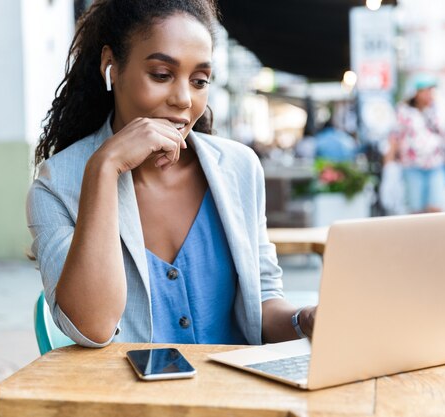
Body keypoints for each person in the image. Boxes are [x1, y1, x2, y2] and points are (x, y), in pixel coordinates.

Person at [27, 0, 316, 348]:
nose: (183, 99)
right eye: (162, 75)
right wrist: (105, 169)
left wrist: (304, 320)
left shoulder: (239, 168)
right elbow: (93, 326)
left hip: (237, 397)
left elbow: (263, 303)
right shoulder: (56, 185)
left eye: (199, 80)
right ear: (111, 66)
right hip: (130, 400)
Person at [384, 75, 445, 213]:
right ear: (415, 92)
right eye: (425, 90)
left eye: (430, 90)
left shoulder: (441, 108)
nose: (429, 93)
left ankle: (434, 234)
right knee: (415, 208)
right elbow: (394, 137)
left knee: (436, 206)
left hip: (436, 163)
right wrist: (388, 165)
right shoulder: (403, 110)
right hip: (411, 165)